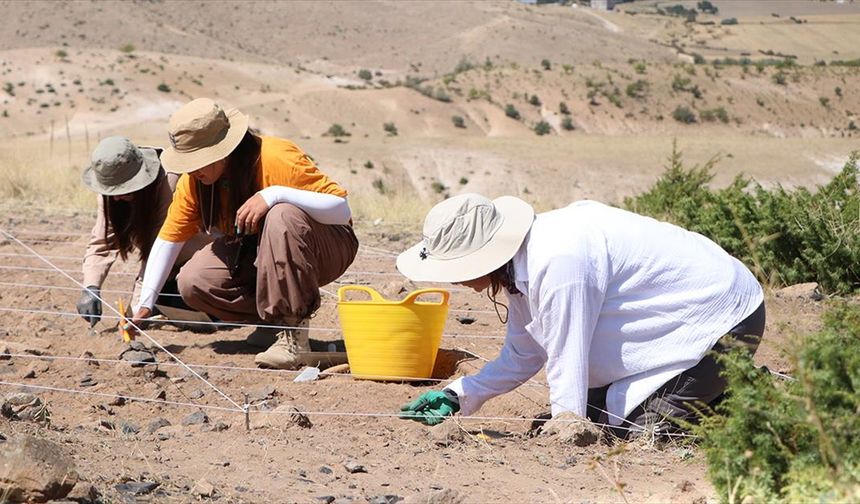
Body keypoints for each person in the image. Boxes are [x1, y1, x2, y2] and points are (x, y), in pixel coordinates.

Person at [397, 194, 765, 436]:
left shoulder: (559, 262)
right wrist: (459, 394)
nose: (459, 281)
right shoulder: (523, 265)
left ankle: (733, 398)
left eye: (458, 268)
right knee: (591, 415)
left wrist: (567, 428)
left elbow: (565, 352)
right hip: (677, 320)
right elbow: (525, 352)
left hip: (723, 320)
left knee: (632, 432)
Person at [127, 98, 358, 369]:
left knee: (281, 214)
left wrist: (273, 195)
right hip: (261, 253)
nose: (191, 169)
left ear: (222, 151)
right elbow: (170, 238)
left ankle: (293, 336)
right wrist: (146, 302)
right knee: (193, 280)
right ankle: (271, 325)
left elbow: (341, 211)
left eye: (197, 160)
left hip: (326, 246)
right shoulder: (196, 182)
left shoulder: (276, 157)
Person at [77, 136, 211, 326]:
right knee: (164, 303)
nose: (116, 198)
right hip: (165, 265)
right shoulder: (109, 195)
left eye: (122, 190)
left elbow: (159, 249)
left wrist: (137, 310)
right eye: (112, 192)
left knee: (189, 291)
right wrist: (90, 288)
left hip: (194, 257)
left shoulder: (168, 182)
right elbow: (102, 243)